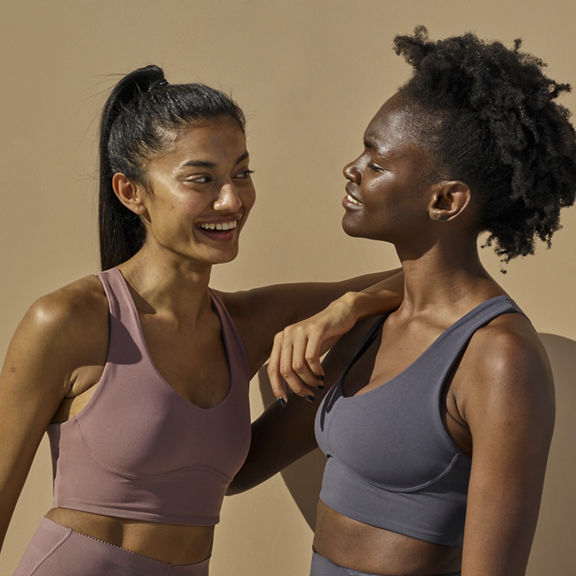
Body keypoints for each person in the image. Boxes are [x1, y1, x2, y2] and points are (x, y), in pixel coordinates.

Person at [0, 65, 403, 576]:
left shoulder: (248, 322)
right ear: (131, 192)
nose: (231, 200)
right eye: (201, 179)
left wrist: (347, 308)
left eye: (241, 173)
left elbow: (431, 279)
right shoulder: (68, 320)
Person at [230, 27, 576, 576]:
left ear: (444, 200)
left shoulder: (499, 359)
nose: (353, 168)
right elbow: (236, 469)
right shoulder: (368, 323)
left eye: (376, 160)